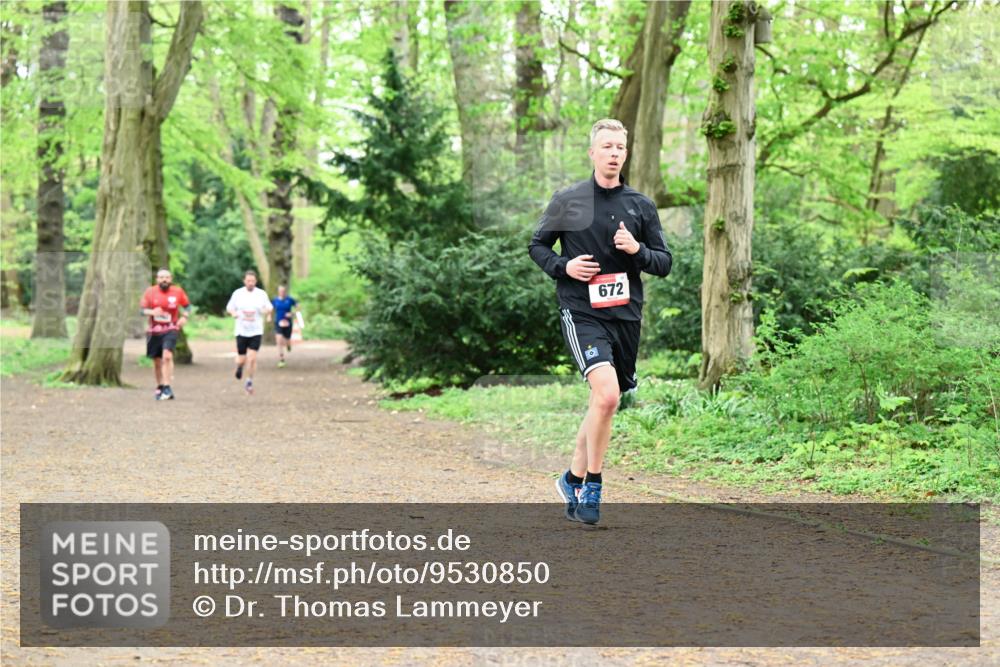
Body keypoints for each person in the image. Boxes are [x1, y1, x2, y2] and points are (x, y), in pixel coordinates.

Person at [529, 119, 673, 525]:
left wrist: (637, 250)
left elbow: (664, 262)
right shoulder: (569, 200)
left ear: (626, 154)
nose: (613, 153)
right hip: (582, 311)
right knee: (607, 395)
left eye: (620, 147)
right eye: (606, 146)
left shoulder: (640, 205)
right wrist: (564, 266)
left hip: (625, 317)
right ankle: (592, 483)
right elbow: (536, 245)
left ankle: (570, 478)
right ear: (592, 152)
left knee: (604, 401)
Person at [139, 268, 191, 401]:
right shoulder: (150, 292)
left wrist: (185, 317)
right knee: (157, 361)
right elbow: (141, 311)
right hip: (154, 331)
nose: (164, 280)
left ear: (171, 279)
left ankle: (167, 386)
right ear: (157, 279)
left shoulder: (177, 291)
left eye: (167, 277)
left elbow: (187, 306)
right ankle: (160, 385)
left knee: (167, 356)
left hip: (171, 328)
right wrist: (152, 312)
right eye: (161, 277)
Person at [225, 270, 273, 395]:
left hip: (256, 330)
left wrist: (267, 312)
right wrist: (233, 313)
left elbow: (269, 307)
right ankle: (240, 366)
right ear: (244, 281)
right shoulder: (238, 293)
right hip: (241, 330)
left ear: (256, 281)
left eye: (253, 281)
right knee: (242, 359)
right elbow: (229, 307)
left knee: (252, 358)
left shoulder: (261, 294)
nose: (250, 283)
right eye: (248, 281)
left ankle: (249, 381)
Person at [271, 285, 298, 368]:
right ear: (278, 292)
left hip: (288, 323)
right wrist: (269, 316)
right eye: (280, 291)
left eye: (283, 291)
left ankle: (288, 345)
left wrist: (292, 313)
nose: (282, 293)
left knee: (287, 340)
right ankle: (281, 358)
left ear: (285, 291)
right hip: (278, 322)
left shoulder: (290, 300)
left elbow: (298, 307)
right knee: (279, 339)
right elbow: (270, 309)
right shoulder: (275, 300)